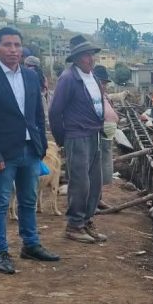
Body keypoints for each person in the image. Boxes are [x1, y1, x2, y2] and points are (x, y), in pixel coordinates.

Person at [0, 27, 60, 274]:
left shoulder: (30, 77)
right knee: (0, 202)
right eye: (7, 45)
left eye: (17, 45)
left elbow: (38, 114)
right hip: (3, 154)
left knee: (28, 200)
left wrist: (41, 146)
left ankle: (30, 245)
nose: (13, 50)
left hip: (30, 150)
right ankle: (0, 251)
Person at [49, 35, 107, 244]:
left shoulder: (93, 78)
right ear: (76, 59)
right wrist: (62, 139)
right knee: (80, 183)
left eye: (92, 55)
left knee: (95, 182)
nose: (91, 59)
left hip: (94, 134)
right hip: (77, 136)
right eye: (86, 56)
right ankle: (74, 225)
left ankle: (87, 221)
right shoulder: (68, 79)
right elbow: (54, 112)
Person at [93, 65, 118, 208]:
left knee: (103, 167)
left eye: (105, 83)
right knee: (96, 168)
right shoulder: (91, 94)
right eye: (102, 83)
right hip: (98, 134)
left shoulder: (104, 95)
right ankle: (93, 202)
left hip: (106, 136)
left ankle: (98, 199)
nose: (104, 86)